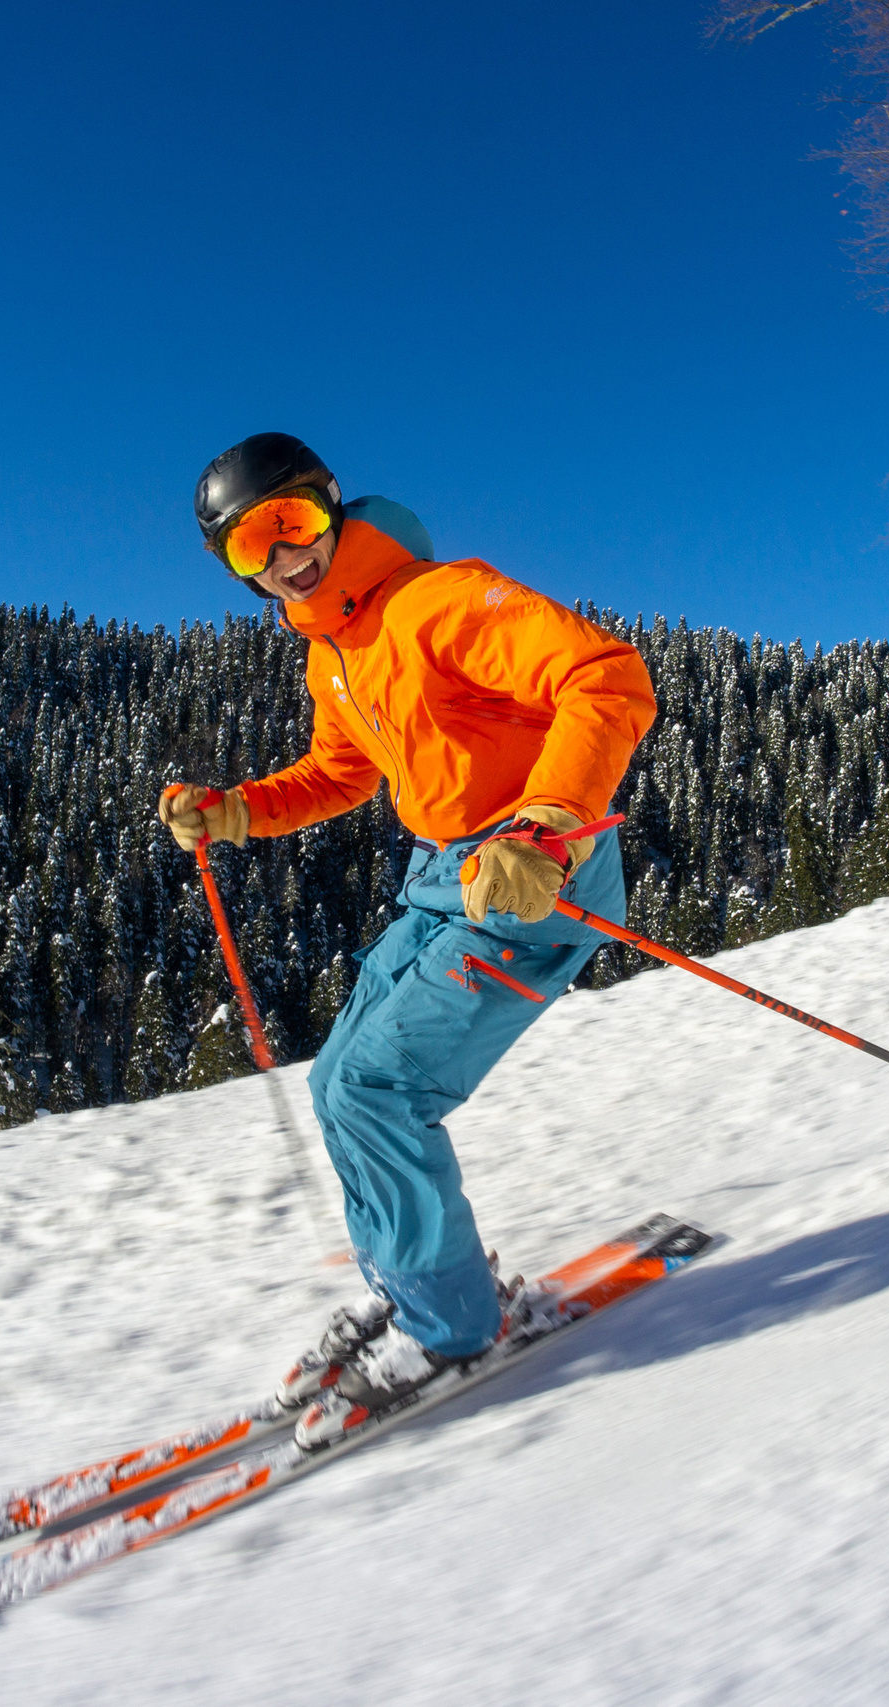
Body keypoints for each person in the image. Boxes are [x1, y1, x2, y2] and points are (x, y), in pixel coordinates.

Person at [158, 432, 655, 1445]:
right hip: (446, 875)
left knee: (378, 1089)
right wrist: (235, 810)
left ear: (330, 506)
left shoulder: (435, 600)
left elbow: (605, 677)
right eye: (254, 547)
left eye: (293, 522)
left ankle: (453, 1327)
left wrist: (547, 822)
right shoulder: (330, 651)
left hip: (535, 867)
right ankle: (409, 1280)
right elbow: (344, 772)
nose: (286, 556)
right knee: (338, 1077)